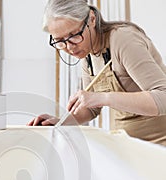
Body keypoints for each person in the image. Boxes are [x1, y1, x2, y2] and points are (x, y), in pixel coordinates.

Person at [27, 0, 166, 146]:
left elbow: (163, 97)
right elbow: (92, 109)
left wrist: (102, 97)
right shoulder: (87, 52)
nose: (69, 47)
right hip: (129, 144)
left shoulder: (123, 39)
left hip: (159, 145)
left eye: (74, 35)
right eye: (60, 41)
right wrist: (61, 122)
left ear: (92, 19)